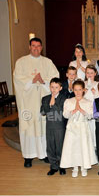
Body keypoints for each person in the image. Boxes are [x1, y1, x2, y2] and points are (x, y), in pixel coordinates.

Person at [13, 37, 59, 167]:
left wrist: (43, 81)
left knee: (43, 127)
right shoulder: (21, 62)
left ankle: (44, 154)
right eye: (33, 46)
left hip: (43, 102)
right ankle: (28, 156)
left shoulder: (48, 62)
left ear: (41, 48)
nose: (36, 48)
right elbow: (18, 79)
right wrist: (32, 80)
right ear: (29, 47)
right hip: (28, 103)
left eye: (38, 46)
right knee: (29, 127)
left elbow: (55, 78)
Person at [60, 80, 97, 178]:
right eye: (75, 90)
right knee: (73, 147)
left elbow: (91, 115)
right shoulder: (68, 101)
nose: (77, 92)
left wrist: (81, 110)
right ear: (73, 90)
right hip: (72, 127)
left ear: (83, 90)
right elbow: (65, 114)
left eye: (80, 90)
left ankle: (83, 167)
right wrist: (73, 111)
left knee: (82, 146)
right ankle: (75, 167)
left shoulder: (88, 102)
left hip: (82, 127)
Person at [40, 78, 67, 176]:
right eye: (52, 87)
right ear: (49, 87)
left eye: (56, 87)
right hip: (49, 126)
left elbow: (61, 111)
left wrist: (53, 103)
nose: (54, 89)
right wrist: (50, 102)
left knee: (60, 146)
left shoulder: (64, 98)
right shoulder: (45, 98)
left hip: (60, 126)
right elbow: (43, 112)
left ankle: (61, 166)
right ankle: (53, 166)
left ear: (60, 88)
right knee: (50, 147)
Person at [84, 65, 99, 148]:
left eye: (91, 73)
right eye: (88, 73)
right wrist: (83, 92)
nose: (89, 75)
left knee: (93, 128)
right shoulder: (82, 83)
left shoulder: (98, 84)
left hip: (94, 108)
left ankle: (94, 146)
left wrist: (95, 93)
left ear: (95, 73)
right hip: (84, 109)